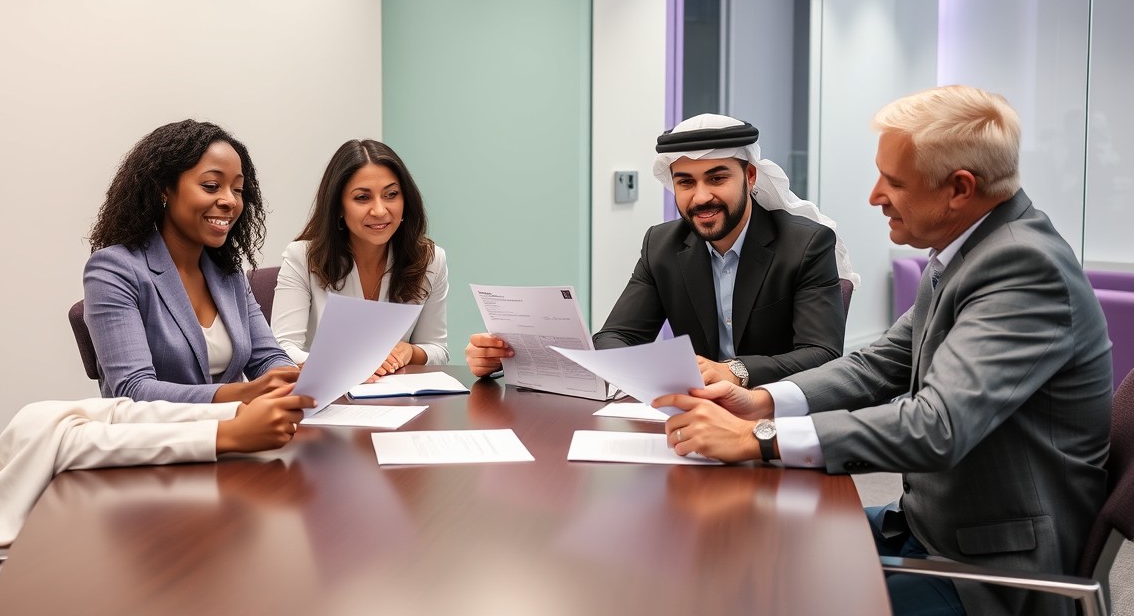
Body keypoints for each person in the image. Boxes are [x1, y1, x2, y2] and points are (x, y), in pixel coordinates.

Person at [654, 86, 1112, 616]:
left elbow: (937, 426)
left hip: (989, 572)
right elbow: (880, 363)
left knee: (764, 596)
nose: (875, 196)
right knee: (746, 543)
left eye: (893, 182)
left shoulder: (1023, 270)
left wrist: (761, 438)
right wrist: (764, 402)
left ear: (959, 189)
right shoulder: (967, 253)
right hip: (929, 527)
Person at [466, 114, 857, 387]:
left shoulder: (806, 243)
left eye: (717, 178)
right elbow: (617, 336)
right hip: (694, 414)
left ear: (750, 176)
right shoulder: (663, 245)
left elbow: (820, 355)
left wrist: (735, 371)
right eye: (685, 182)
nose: (701, 197)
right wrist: (514, 357)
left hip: (774, 412)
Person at [0, 393, 316, 616]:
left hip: (31, 533)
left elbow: (123, 412)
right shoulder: (117, 272)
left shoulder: (225, 277)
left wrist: (234, 414)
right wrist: (225, 433)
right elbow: (120, 408)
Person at [84, 119, 302, 404]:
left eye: (237, 190)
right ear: (164, 189)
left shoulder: (228, 273)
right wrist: (243, 393)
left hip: (236, 433)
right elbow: (135, 389)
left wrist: (292, 378)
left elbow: (267, 357)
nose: (230, 201)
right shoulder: (112, 271)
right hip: (157, 442)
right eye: (211, 186)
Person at [272, 139, 448, 378]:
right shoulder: (302, 257)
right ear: (339, 207)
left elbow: (437, 348)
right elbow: (282, 350)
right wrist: (350, 365)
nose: (379, 210)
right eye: (362, 198)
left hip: (396, 402)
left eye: (391, 195)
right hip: (323, 398)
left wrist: (409, 351)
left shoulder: (429, 260)